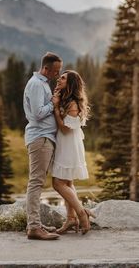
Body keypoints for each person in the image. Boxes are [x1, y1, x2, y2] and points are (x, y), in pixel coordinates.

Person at [23, 52, 63, 240]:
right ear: (45, 68)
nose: (57, 75)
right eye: (55, 71)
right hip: (40, 138)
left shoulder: (42, 84)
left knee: (37, 181)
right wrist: (53, 103)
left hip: (44, 138)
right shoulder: (37, 84)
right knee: (36, 182)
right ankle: (33, 228)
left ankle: (36, 224)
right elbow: (38, 113)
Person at [52, 70, 95, 235]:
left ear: (70, 84)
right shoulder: (67, 100)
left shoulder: (73, 104)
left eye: (63, 78)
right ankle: (71, 218)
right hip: (66, 144)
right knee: (68, 184)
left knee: (58, 184)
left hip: (69, 145)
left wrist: (56, 107)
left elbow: (65, 129)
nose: (59, 79)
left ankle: (81, 213)